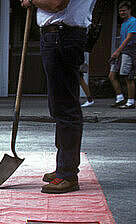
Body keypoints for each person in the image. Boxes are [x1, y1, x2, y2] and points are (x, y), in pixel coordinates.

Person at [20, 0, 96, 194]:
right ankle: (64, 166)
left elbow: (56, 3)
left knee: (65, 106)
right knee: (60, 106)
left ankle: (68, 174)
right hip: (61, 35)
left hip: (62, 35)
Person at [109, 1, 136, 109]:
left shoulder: (133, 21)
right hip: (120, 51)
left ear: (129, 10)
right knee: (111, 75)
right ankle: (120, 98)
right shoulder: (124, 23)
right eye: (120, 10)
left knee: (127, 76)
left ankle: (130, 101)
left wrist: (117, 51)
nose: (121, 12)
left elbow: (128, 38)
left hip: (128, 50)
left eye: (124, 10)